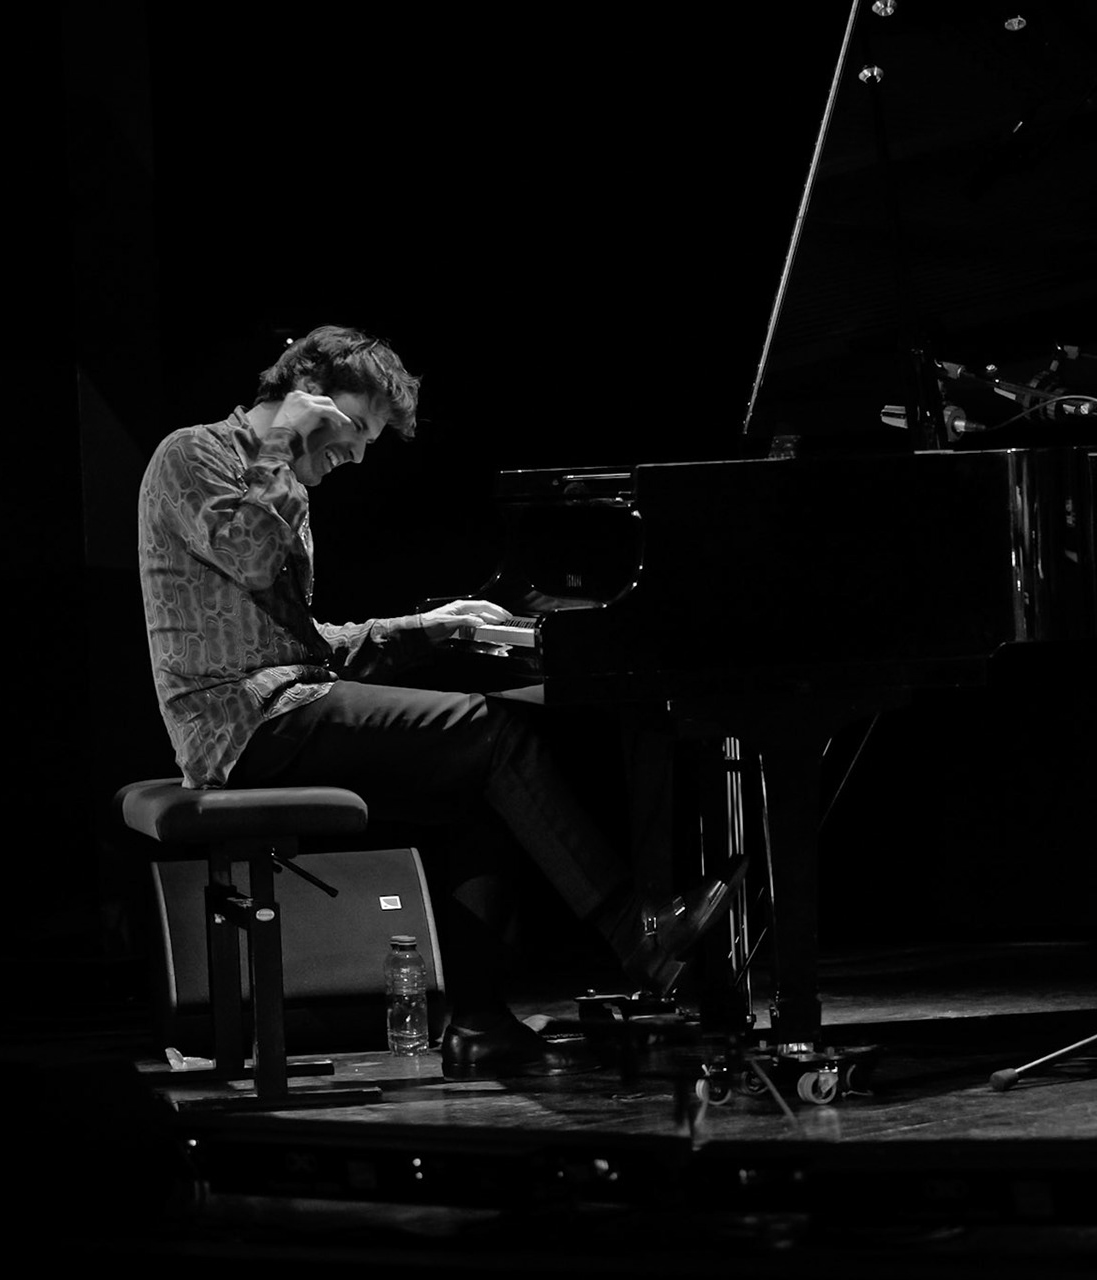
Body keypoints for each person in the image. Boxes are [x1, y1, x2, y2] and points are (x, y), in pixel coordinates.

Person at [137, 324, 734, 1078]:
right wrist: (282, 440)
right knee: (497, 735)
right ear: (301, 391)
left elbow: (298, 643)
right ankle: (634, 931)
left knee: (485, 790)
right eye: (354, 430)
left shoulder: (273, 480)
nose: (355, 455)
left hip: (283, 701)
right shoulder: (196, 456)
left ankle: (477, 1025)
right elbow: (255, 564)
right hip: (237, 723)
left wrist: (430, 626)